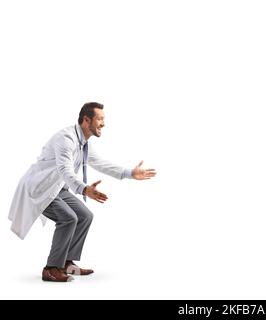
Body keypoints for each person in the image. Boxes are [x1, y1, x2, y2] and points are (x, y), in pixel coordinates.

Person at [8, 102, 157, 282]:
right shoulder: (66, 139)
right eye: (100, 119)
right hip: (40, 188)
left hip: (57, 188)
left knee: (85, 215)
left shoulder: (84, 143)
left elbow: (101, 163)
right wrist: (85, 189)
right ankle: (51, 268)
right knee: (68, 218)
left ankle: (66, 263)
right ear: (86, 120)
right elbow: (65, 170)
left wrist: (129, 173)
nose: (103, 123)